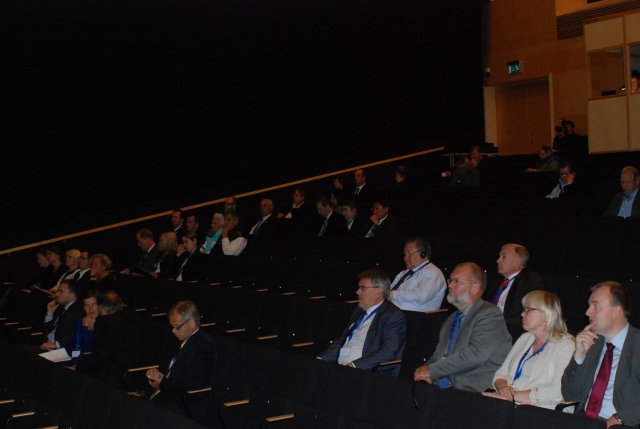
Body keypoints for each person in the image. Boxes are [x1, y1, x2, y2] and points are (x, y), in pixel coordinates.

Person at [414, 262, 511, 392]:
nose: (450, 285)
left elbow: (475, 355)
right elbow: (438, 355)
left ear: (474, 288)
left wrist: (431, 371)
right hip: (445, 387)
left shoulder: (489, 314)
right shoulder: (451, 319)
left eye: (456, 281)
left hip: (473, 391)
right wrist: (425, 373)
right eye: (450, 280)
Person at [562, 281, 640, 427]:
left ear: (617, 311)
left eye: (595, 306)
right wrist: (579, 356)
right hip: (582, 421)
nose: (587, 312)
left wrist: (621, 418)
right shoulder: (592, 343)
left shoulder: (637, 345)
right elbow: (570, 394)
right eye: (589, 306)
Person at [482, 290, 575, 409]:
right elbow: (501, 374)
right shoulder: (525, 338)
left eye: (528, 309)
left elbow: (558, 391)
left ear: (546, 314)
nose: (522, 314)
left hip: (540, 410)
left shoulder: (566, 345)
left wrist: (513, 396)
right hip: (509, 404)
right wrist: (503, 388)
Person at [317, 268, 406, 376]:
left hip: (365, 372)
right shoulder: (359, 311)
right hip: (341, 369)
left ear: (378, 291)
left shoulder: (392, 315)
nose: (357, 292)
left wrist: (354, 366)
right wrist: (320, 359)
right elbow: (343, 341)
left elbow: (388, 351)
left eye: (363, 288)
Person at [146, 300, 217, 422]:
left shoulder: (204, 346)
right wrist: (160, 377)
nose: (173, 331)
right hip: (170, 397)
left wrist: (162, 384)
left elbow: (193, 387)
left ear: (192, 323)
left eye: (177, 327)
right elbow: (176, 374)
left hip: (184, 406)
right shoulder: (185, 339)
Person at [487, 243, 544, 341]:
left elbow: (529, 312)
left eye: (503, 257)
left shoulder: (530, 280)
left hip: (510, 333)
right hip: (489, 328)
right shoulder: (496, 281)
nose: (498, 260)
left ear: (517, 262)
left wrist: (495, 321)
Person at [389, 236, 446, 312]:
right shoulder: (403, 273)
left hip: (414, 316)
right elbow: (389, 291)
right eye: (405, 254)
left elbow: (422, 296)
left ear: (423, 254)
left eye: (409, 254)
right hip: (394, 313)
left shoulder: (433, 272)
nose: (405, 258)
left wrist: (394, 295)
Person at [40, 279, 83, 352]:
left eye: (61, 291)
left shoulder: (78, 311)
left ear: (72, 294)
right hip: (47, 346)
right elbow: (47, 332)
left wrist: (56, 344)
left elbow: (76, 337)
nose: (57, 294)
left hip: (61, 351)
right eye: (58, 291)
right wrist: (49, 314)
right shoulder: (60, 307)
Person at [71, 290, 100, 361]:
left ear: (100, 306)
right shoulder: (80, 321)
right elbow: (72, 342)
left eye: (94, 304)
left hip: (91, 360)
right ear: (83, 308)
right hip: (74, 356)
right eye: (87, 305)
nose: (90, 309)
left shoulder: (104, 324)